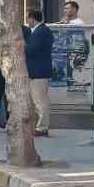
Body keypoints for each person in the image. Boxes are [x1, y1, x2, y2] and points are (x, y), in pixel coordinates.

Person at [24, 8, 54, 136]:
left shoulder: (40, 31)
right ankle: (38, 125)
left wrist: (22, 45)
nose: (27, 21)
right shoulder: (39, 31)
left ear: (32, 18)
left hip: (39, 71)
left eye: (27, 18)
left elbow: (32, 49)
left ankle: (42, 127)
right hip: (37, 70)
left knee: (40, 101)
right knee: (37, 100)